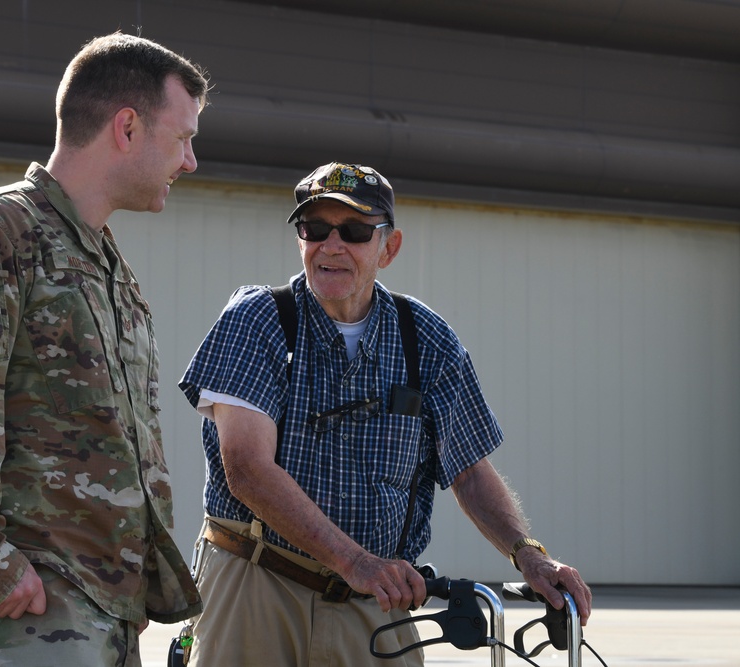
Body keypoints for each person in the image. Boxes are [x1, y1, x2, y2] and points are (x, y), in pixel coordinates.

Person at [178, 162, 592, 666]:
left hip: (376, 602)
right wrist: (356, 561)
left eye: (353, 231)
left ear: (388, 248)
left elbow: (469, 470)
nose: (332, 245)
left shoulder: (426, 339)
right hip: (260, 587)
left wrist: (529, 554)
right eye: (314, 229)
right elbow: (246, 469)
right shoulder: (257, 319)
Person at [0, 32, 209, 667]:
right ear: (127, 127)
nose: (190, 160)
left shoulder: (100, 258)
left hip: (94, 611)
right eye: (183, 138)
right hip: (17, 616)